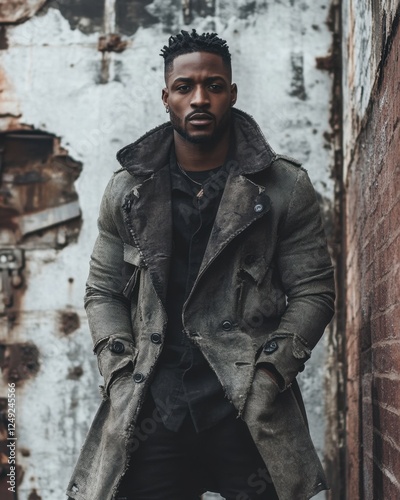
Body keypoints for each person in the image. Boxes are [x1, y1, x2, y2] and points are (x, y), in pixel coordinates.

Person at [67, 29, 335, 500]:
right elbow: (103, 291)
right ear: (166, 96)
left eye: (213, 86)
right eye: (185, 87)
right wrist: (120, 371)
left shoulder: (282, 187)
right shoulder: (128, 190)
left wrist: (270, 375)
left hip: (246, 405)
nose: (199, 99)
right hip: (153, 407)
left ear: (231, 93)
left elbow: (314, 290)